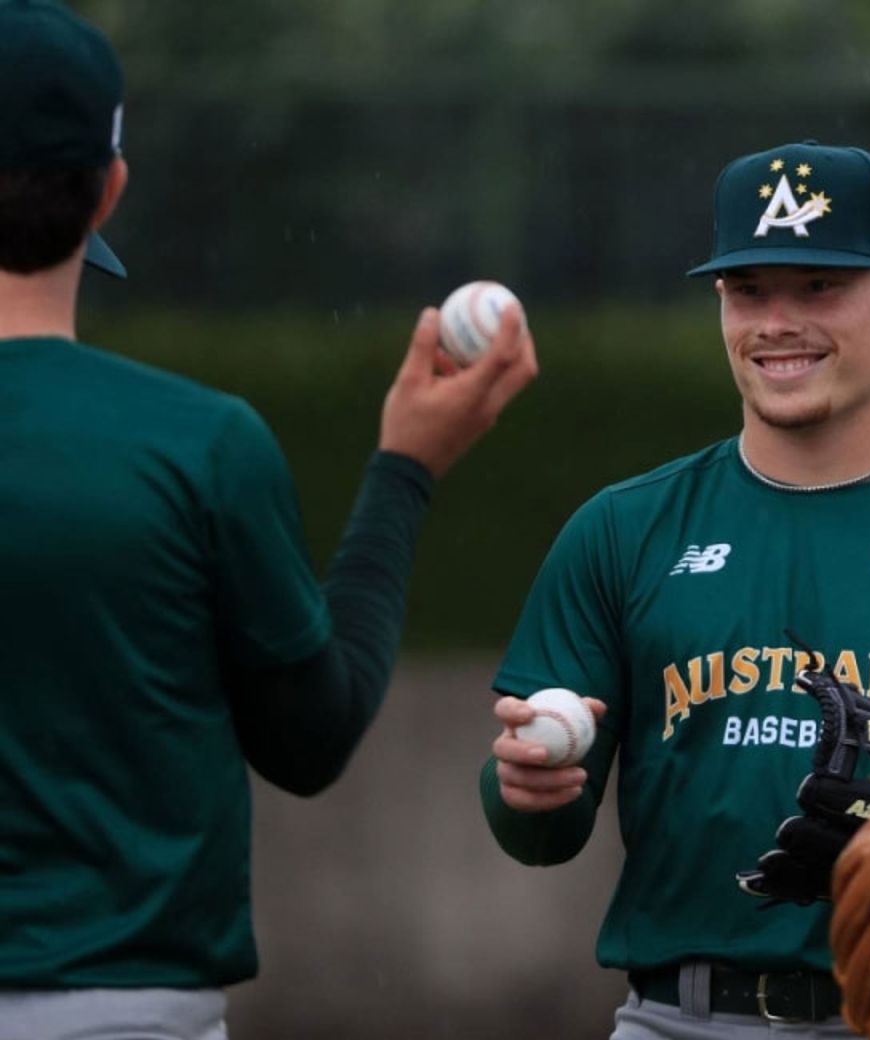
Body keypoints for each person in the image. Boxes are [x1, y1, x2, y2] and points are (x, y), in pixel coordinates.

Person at [0, 3, 537, 1037]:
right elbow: (309, 737)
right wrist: (405, 469)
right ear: (108, 189)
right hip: (125, 1008)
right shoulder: (197, 443)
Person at [481, 140, 870, 1038]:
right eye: (749, 289)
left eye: (818, 286)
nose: (777, 321)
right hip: (676, 1017)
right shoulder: (624, 530)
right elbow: (540, 834)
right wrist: (525, 791)